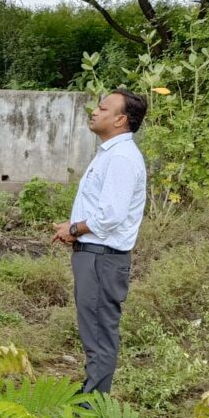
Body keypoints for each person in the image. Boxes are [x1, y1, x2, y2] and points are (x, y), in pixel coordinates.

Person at [51, 89, 148, 395]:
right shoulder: (111, 153)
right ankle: (91, 400)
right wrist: (74, 227)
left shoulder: (121, 157)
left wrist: (74, 229)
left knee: (99, 336)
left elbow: (110, 215)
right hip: (95, 255)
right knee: (95, 333)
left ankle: (93, 414)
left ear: (120, 119)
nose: (95, 111)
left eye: (104, 108)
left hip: (101, 258)